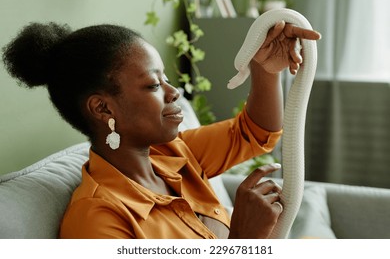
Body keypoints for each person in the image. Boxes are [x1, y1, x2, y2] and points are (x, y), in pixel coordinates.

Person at [2, 20, 320, 239]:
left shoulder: (174, 153)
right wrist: (243, 240)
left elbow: (254, 131)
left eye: (166, 78)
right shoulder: (99, 221)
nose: (173, 92)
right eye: (154, 84)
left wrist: (264, 70)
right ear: (103, 108)